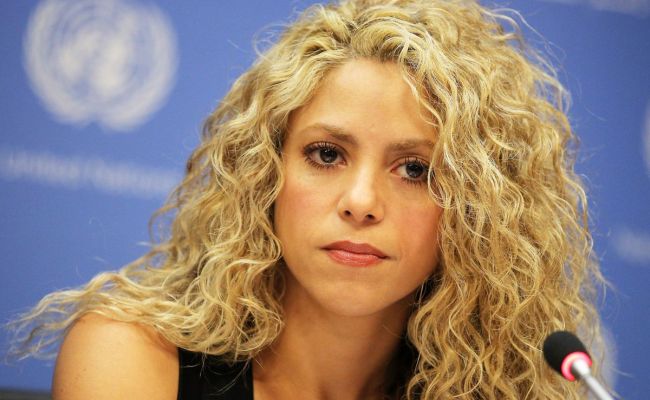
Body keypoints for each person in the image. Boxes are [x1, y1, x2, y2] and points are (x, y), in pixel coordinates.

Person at [9, 0, 608, 399]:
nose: (361, 201)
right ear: (266, 171)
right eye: (326, 154)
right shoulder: (134, 359)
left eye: (415, 169)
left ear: (478, 210)